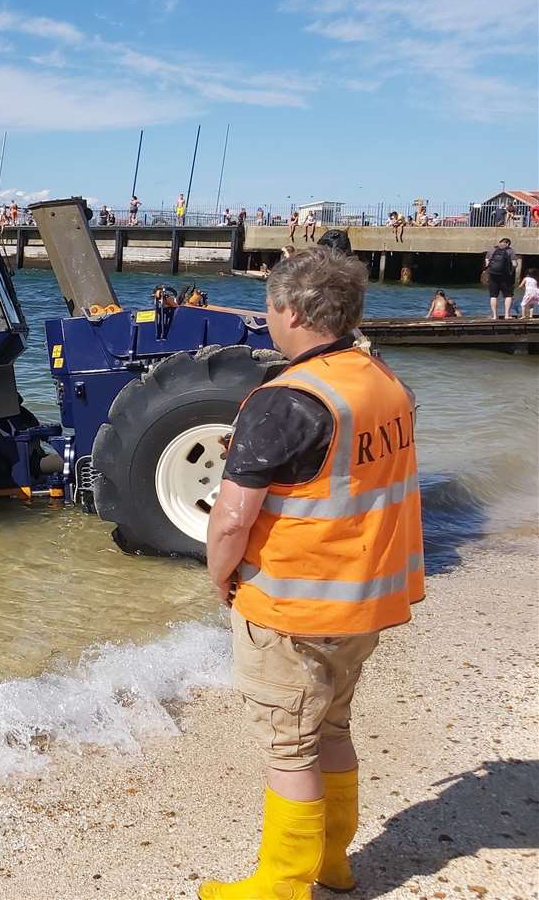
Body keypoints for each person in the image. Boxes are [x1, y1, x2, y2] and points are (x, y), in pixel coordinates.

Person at [199, 246, 423, 900]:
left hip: (291, 613)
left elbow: (232, 520)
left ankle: (279, 885)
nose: (266, 318)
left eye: (269, 306)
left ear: (292, 311)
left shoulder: (284, 401)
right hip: (363, 604)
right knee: (332, 729)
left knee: (289, 749)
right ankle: (332, 862)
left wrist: (222, 578)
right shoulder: (383, 382)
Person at [484, 237, 516, 318]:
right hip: (505, 276)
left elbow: (487, 263)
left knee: (493, 296)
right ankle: (507, 315)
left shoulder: (492, 250)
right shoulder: (510, 251)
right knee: (508, 295)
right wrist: (511, 271)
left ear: (499, 242)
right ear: (508, 244)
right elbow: (514, 264)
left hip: (492, 275)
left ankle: (494, 316)